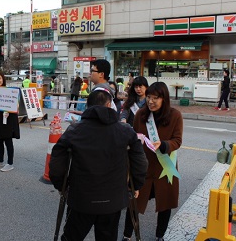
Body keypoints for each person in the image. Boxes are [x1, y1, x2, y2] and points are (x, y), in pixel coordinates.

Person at [49, 89, 148, 241]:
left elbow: (57, 161)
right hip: (113, 200)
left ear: (88, 106)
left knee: (71, 237)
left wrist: (62, 185)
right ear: (109, 105)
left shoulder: (75, 130)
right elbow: (140, 161)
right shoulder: (124, 131)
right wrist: (135, 184)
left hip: (81, 198)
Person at [122, 82, 183, 241]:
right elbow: (133, 137)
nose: (150, 101)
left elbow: (177, 140)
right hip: (144, 167)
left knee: (165, 204)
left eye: (155, 98)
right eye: (148, 97)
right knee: (134, 203)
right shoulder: (141, 115)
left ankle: (160, 236)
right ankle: (127, 235)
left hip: (165, 168)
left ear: (164, 99)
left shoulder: (175, 115)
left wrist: (163, 144)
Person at [0, 71, 20, 172]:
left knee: (8, 140)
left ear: (3, 79)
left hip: (8, 118)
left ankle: (10, 163)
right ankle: (0, 160)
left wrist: (10, 110)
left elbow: (16, 105)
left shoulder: (9, 91)